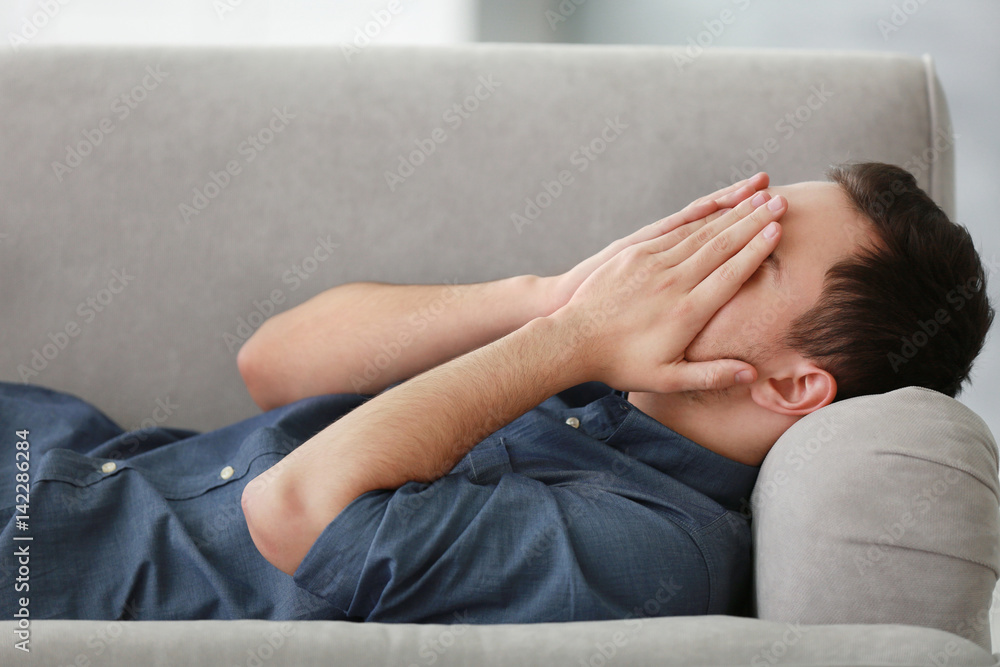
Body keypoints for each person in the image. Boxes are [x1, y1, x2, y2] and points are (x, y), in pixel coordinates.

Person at [1, 162, 992, 624]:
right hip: (53, 448)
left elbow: (292, 507)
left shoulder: (649, 552)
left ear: (794, 383)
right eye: (736, 216)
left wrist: (567, 338)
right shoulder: (590, 380)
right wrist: (551, 300)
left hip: (41, 560)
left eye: (753, 252)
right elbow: (277, 362)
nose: (696, 244)